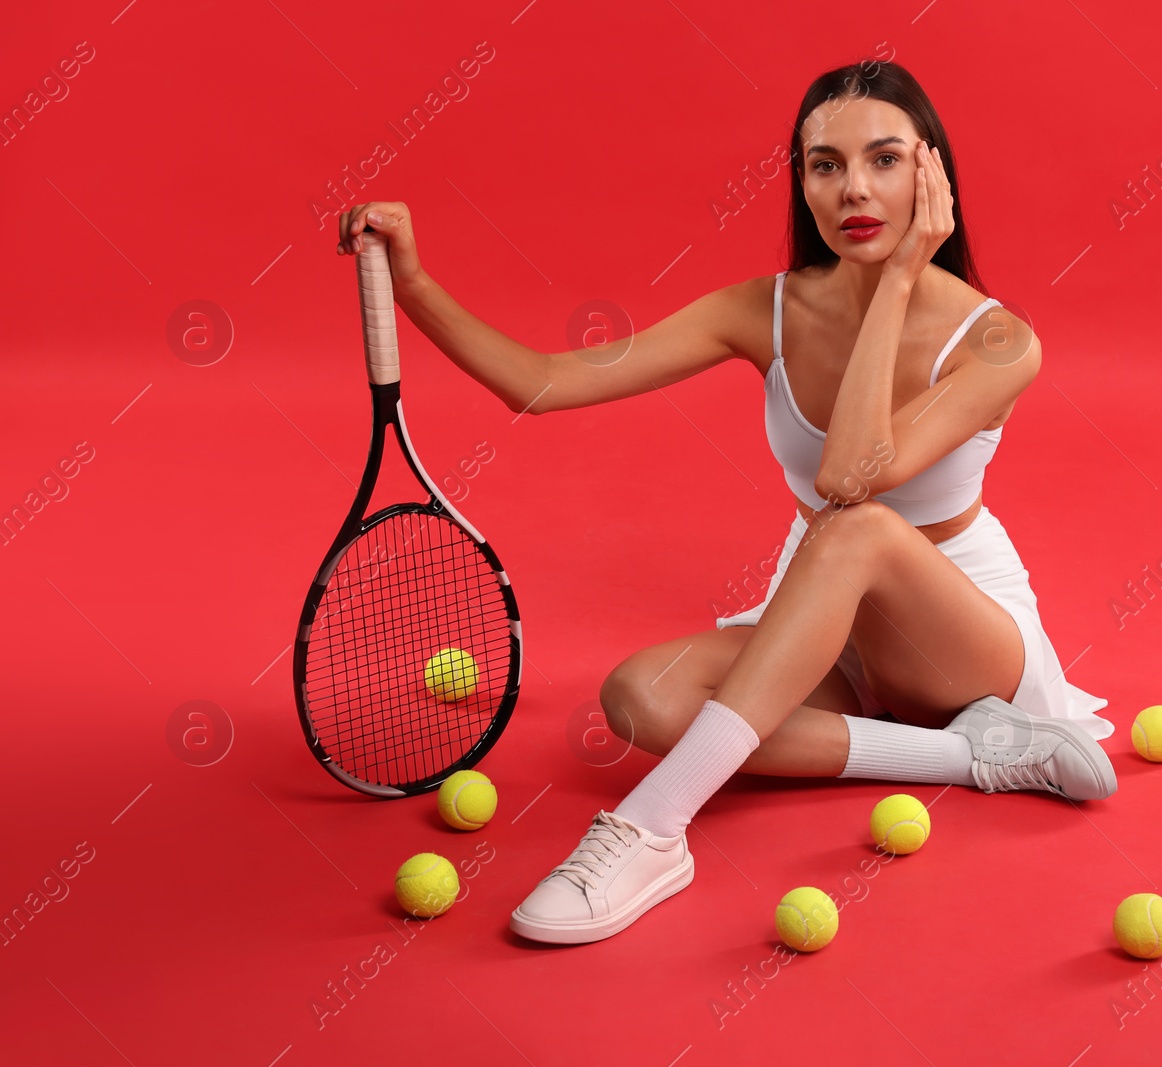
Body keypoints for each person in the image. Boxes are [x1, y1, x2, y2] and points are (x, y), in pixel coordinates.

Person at [335, 60, 1117, 947]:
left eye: (885, 159)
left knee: (857, 526)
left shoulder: (1002, 340)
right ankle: (974, 754)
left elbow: (851, 475)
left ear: (932, 174)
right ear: (801, 181)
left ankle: (648, 830)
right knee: (640, 696)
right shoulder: (765, 309)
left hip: (962, 639)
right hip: (836, 627)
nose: (853, 188)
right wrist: (413, 284)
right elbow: (544, 384)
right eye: (825, 164)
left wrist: (898, 280)